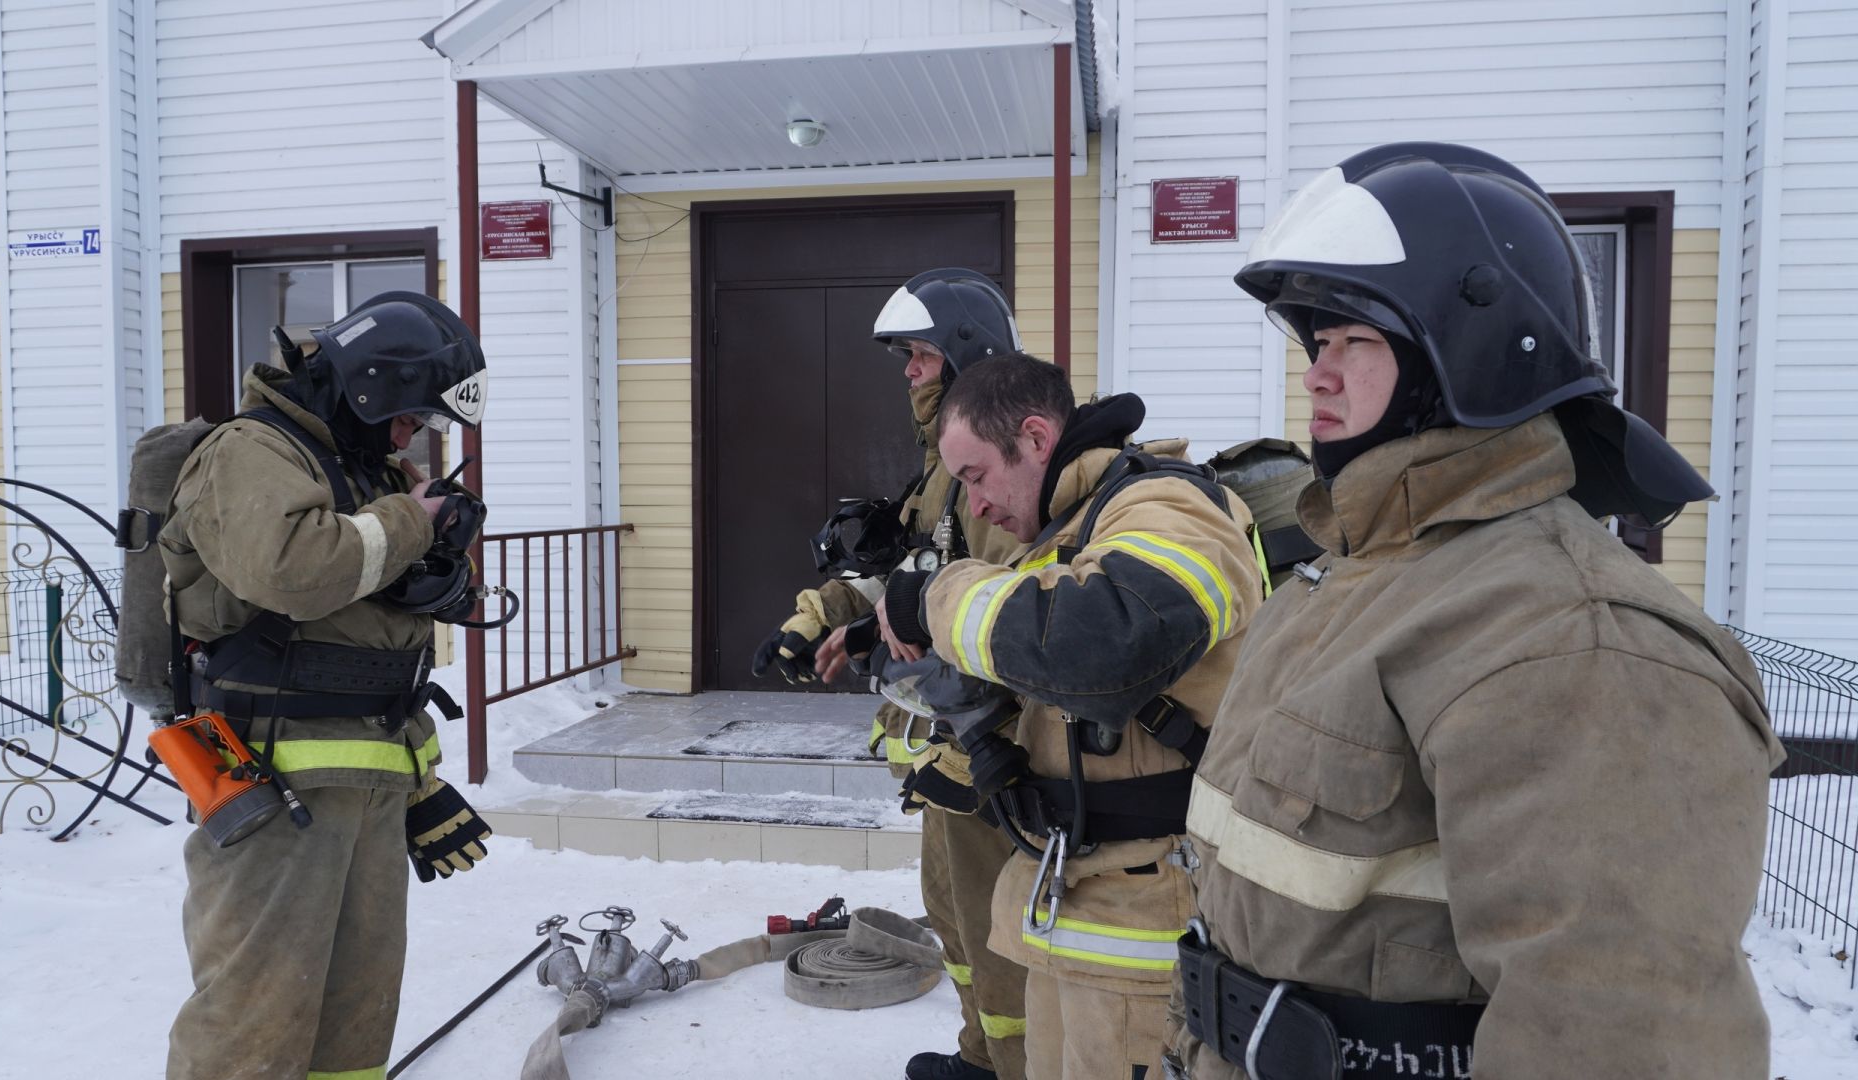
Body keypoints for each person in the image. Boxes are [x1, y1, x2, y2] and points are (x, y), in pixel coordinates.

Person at [1162, 142, 1784, 1079]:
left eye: (1355, 342)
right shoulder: (1349, 579)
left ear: (1463, 355)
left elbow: (1621, 1036)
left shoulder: (1572, 641)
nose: (1317, 376)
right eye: (1315, 343)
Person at [873, 354, 1265, 1080]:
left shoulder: (1165, 505)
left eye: (976, 475)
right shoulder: (1070, 529)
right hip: (1079, 909)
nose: (977, 504)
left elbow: (1111, 637)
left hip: (1148, 928)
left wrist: (936, 593)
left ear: (1034, 436)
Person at [161, 292, 496, 1080]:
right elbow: (296, 572)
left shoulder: (367, 468)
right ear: (367, 387)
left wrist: (421, 785)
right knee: (256, 1014)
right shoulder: (251, 451)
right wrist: (412, 523)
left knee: (357, 1009)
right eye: (410, 418)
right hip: (270, 782)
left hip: (368, 780)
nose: (414, 438)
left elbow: (382, 645)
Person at [754, 268, 1030, 1080]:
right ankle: (981, 1055)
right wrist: (817, 619)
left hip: (987, 752)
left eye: (918, 355)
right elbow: (909, 573)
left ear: (964, 352)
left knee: (992, 928)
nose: (908, 372)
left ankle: (1012, 1066)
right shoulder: (943, 464)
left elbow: (1000, 611)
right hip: (944, 751)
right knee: (953, 916)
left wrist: (890, 644)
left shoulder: (996, 460)